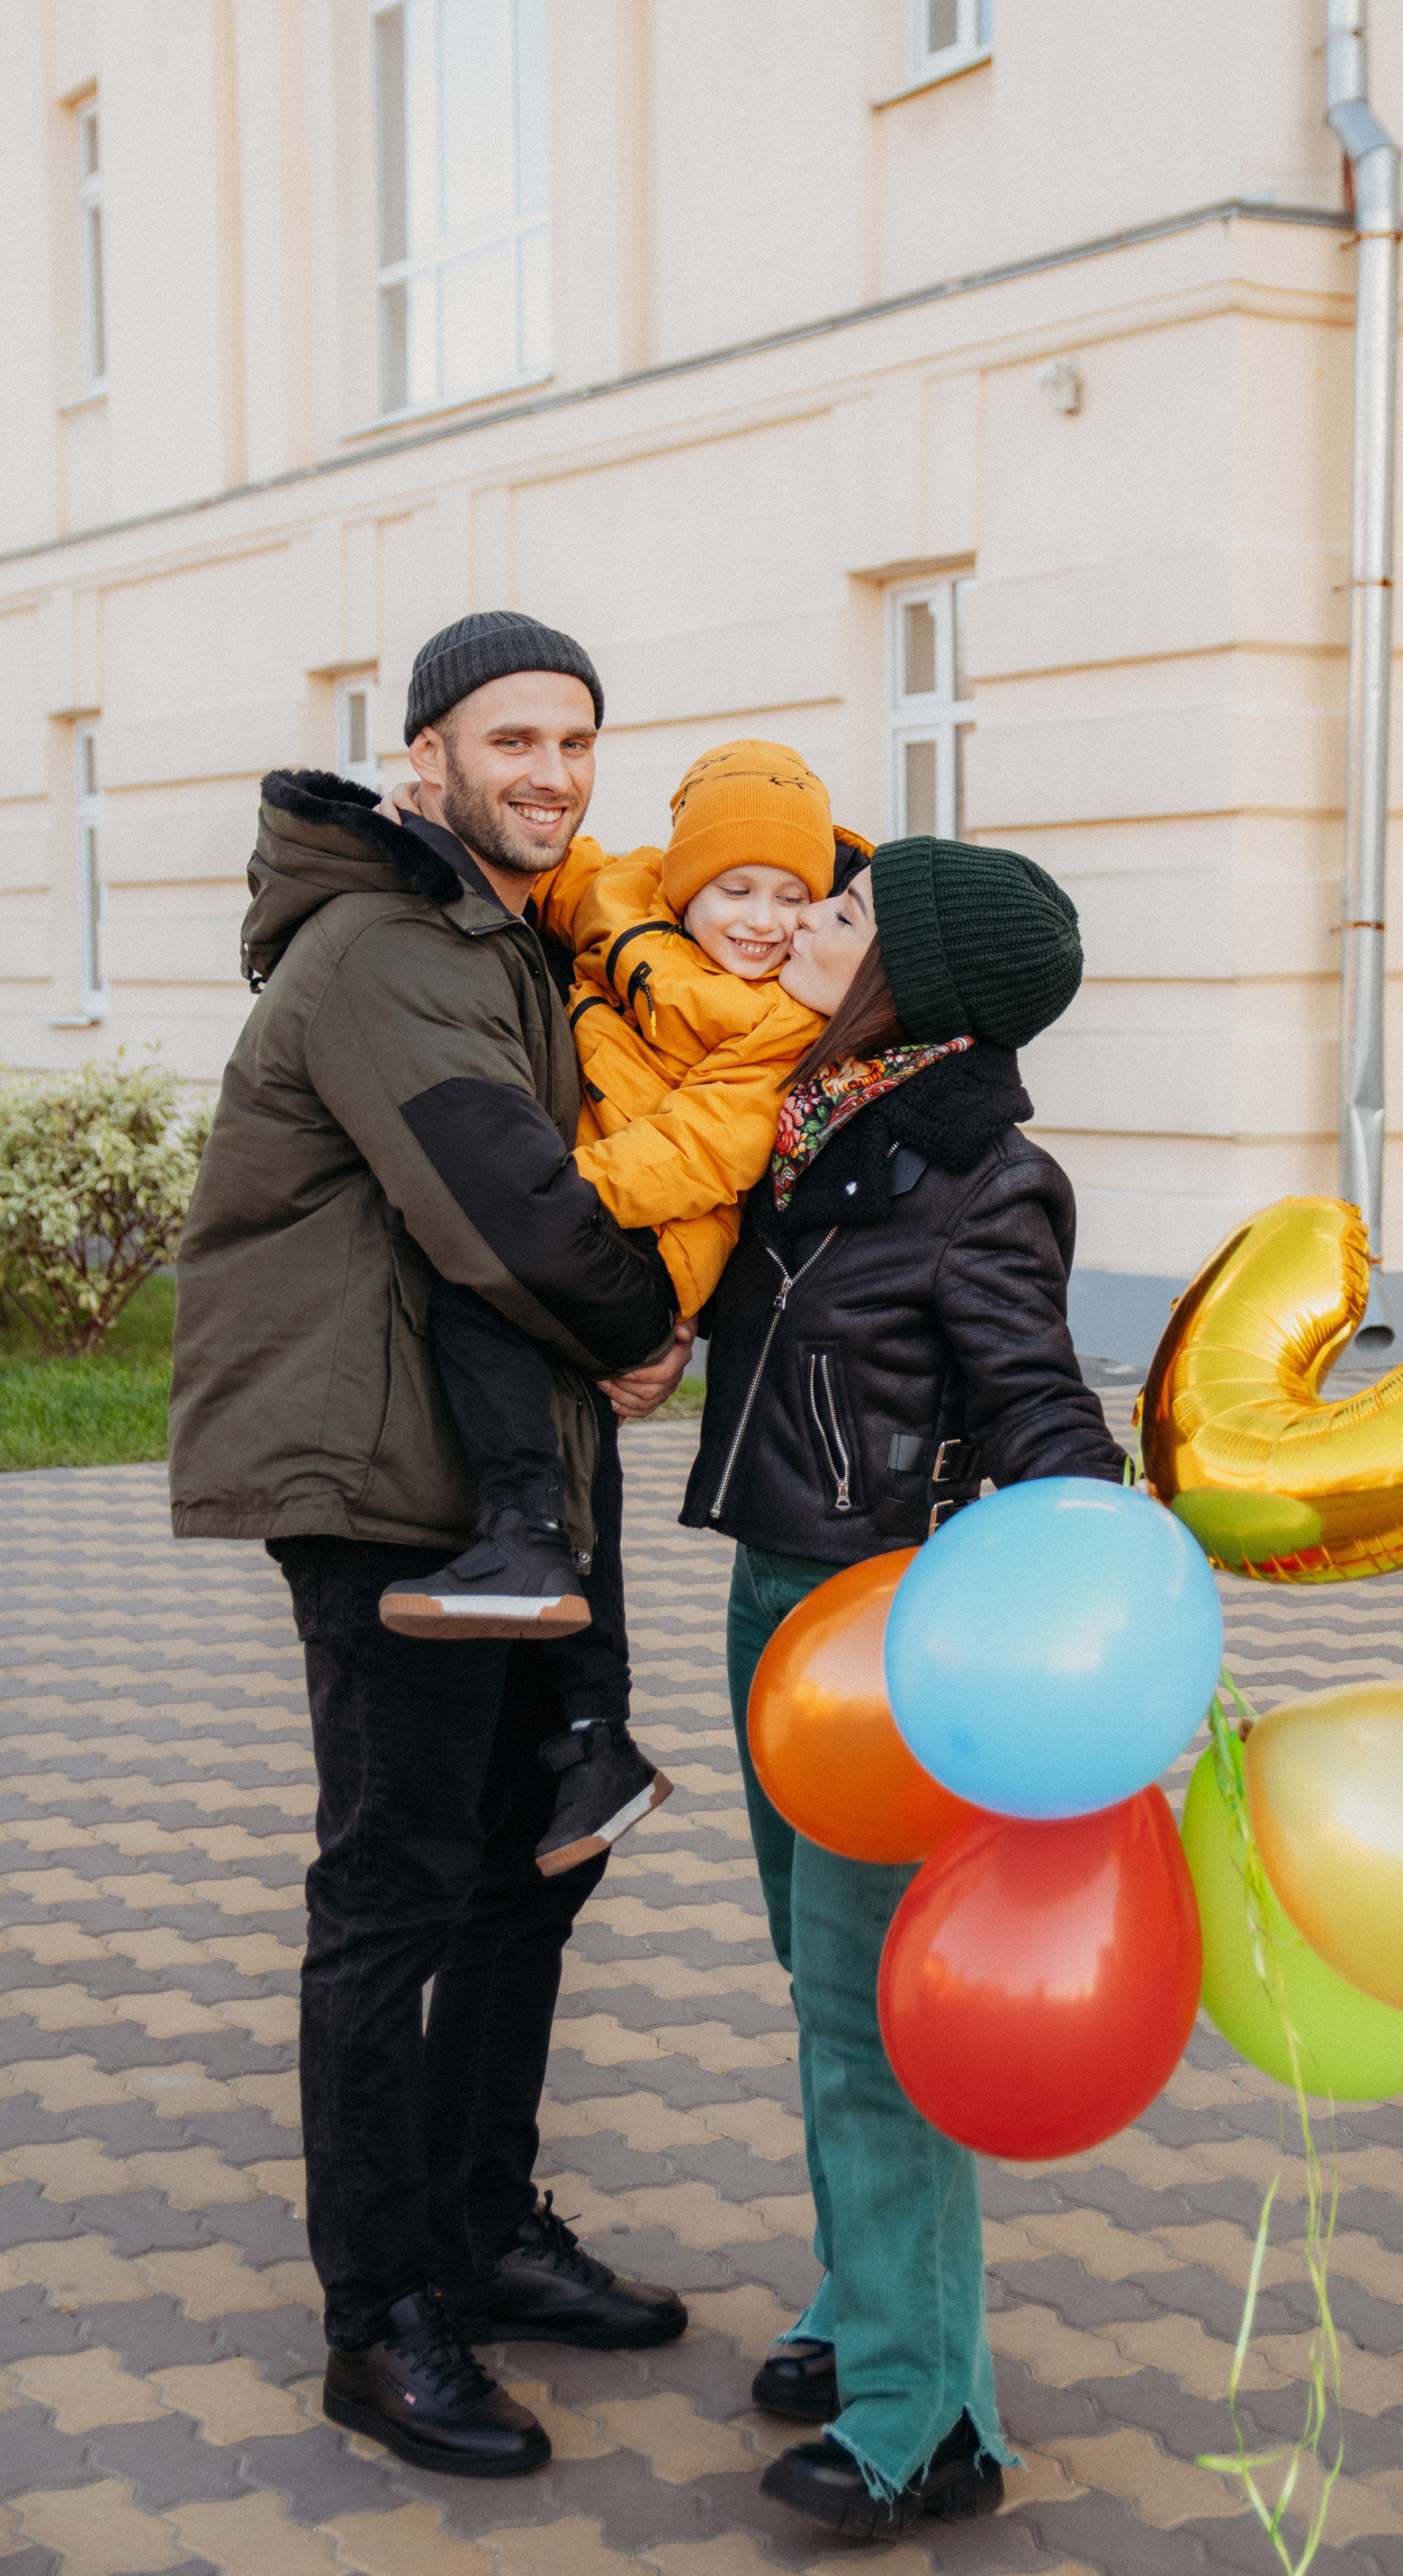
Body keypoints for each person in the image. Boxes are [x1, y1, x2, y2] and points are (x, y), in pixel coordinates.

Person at [168, 611, 696, 2482]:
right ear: (424, 763)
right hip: (380, 1483)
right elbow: (502, 1198)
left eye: (574, 741)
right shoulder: (387, 944)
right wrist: (644, 1330)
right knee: (394, 1888)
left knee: (528, 1868)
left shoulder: (503, 938)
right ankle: (377, 2314)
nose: (548, 773)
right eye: (509, 742)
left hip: (493, 1477)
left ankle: (480, 2227)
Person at [679, 833, 1126, 2537]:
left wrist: (1096, 1568)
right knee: (818, 1979)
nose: (802, 917)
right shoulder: (812, 1120)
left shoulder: (976, 1174)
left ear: (912, 979)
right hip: (777, 1597)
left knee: (879, 2025)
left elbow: (1033, 1401)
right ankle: (863, 2302)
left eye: (845, 911)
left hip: (889, 1631)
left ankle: (927, 2419)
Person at [375, 740, 871, 1880]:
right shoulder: (621, 898)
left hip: (647, 1231)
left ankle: (524, 1540)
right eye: (735, 889)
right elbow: (546, 876)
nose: (761, 920)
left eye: (792, 898)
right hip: (582, 1196)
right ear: (683, 878)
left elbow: (713, 1145)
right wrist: (423, 826)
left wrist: (553, 1204)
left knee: (473, 1294)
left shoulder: (781, 1017)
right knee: (569, 1429)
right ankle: (594, 1734)